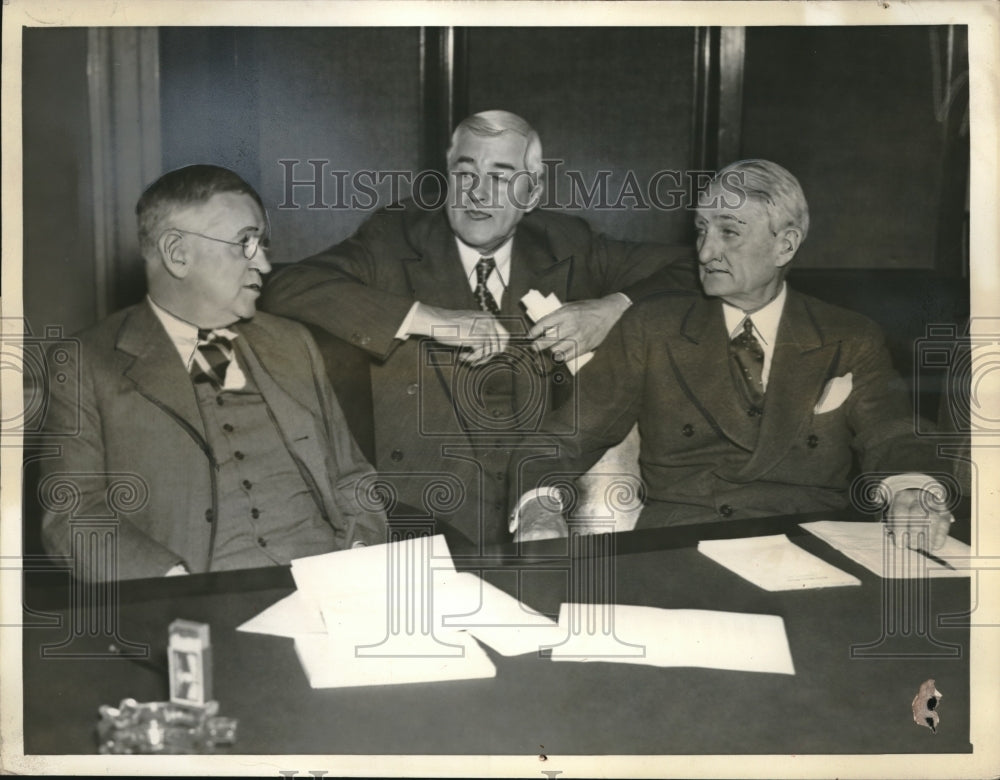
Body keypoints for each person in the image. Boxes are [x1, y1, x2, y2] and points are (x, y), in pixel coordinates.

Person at [261, 110, 695, 548]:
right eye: (465, 173)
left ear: (532, 192)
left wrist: (611, 310)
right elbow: (287, 287)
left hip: (545, 497)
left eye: (501, 177)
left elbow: (697, 267)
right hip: (429, 505)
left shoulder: (567, 242)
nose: (477, 194)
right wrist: (428, 317)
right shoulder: (394, 238)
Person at [511, 159, 954, 549]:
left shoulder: (849, 336)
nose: (705, 252)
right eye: (702, 229)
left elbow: (895, 432)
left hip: (812, 541)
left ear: (786, 244)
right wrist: (539, 506)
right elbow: (565, 437)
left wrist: (911, 490)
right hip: (683, 544)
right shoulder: (653, 328)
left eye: (729, 232)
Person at [40, 165, 387, 581]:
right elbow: (73, 515)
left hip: (330, 586)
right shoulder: (86, 362)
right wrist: (171, 584)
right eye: (244, 243)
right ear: (177, 253)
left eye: (263, 244)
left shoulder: (292, 343)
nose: (263, 263)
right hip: (201, 600)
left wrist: (360, 556)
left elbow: (353, 478)